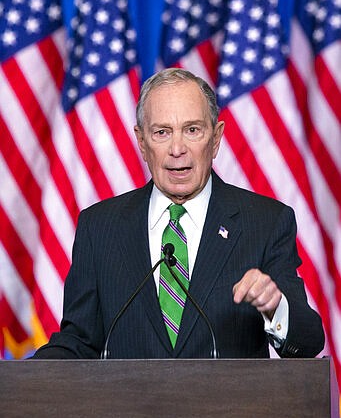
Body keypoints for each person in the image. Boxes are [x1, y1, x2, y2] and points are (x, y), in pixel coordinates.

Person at [33, 68, 324, 359]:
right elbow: (78, 342)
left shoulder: (265, 222)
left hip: (228, 405)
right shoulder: (99, 228)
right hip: (128, 405)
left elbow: (309, 342)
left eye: (192, 130)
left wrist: (276, 307)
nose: (177, 148)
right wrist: (15, 382)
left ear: (216, 138)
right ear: (142, 142)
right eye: (162, 132)